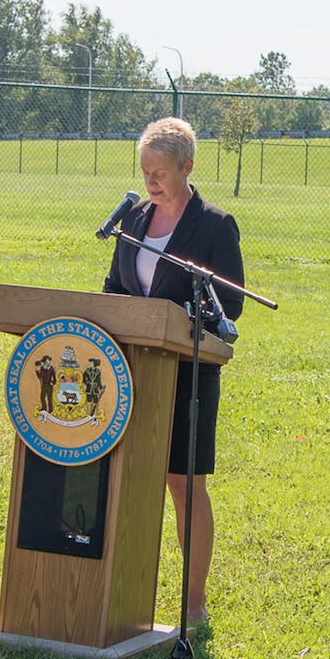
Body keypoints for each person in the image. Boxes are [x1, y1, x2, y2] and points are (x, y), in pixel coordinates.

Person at [101, 118, 245, 626]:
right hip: (128, 370)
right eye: (145, 172)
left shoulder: (214, 224)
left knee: (184, 485)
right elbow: (114, 288)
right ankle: (120, 588)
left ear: (188, 167)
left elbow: (229, 304)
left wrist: (176, 319)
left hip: (188, 374)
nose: (151, 182)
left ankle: (193, 602)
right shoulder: (133, 219)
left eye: (160, 172)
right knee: (128, 478)